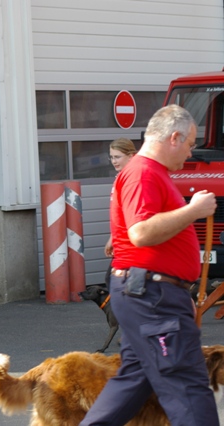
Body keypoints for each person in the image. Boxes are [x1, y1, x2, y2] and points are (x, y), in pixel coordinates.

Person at [81, 104, 219, 425]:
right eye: (190, 143)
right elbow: (141, 232)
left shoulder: (147, 173)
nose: (191, 152)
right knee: (185, 383)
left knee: (133, 381)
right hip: (154, 296)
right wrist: (194, 210)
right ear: (174, 137)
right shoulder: (143, 173)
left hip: (147, 293)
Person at [103, 138, 137, 285]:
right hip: (121, 241)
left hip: (129, 245)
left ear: (131, 156)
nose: (114, 161)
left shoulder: (133, 178)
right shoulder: (121, 177)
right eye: (111, 157)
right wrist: (112, 238)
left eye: (117, 157)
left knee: (115, 281)